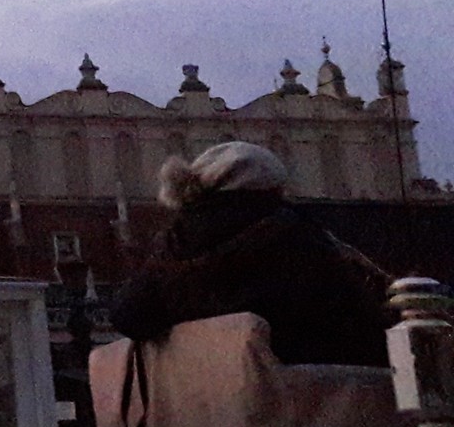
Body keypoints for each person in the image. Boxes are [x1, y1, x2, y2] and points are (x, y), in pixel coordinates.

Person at [110, 141, 391, 366]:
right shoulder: (297, 238)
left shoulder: (171, 247)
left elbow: (126, 314)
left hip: (206, 417)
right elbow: (367, 329)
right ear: (270, 189)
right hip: (310, 408)